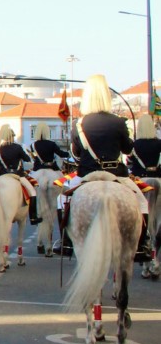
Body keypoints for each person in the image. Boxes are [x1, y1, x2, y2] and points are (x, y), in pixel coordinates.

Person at [63, 74, 151, 259]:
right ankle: (141, 244)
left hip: (87, 174)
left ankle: (66, 242)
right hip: (116, 175)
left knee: (62, 201)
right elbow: (127, 150)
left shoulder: (78, 124)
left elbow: (77, 153)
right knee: (142, 203)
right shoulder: (118, 122)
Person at [0, 124, 39, 224]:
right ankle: (33, 217)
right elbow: (27, 159)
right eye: (13, 136)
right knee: (33, 192)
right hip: (17, 175)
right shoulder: (17, 147)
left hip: (2, 175)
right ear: (11, 136)